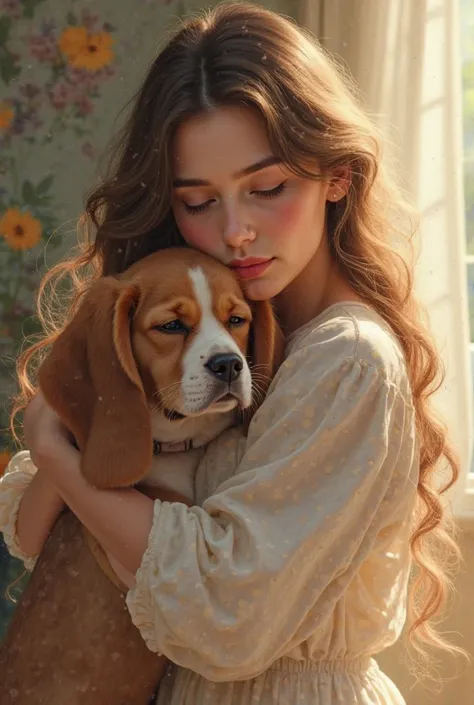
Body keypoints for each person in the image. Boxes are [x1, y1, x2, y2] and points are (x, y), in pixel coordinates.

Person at [0, 3, 464, 703]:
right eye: (198, 200)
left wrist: (60, 450)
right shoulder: (237, 332)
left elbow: (228, 609)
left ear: (335, 175)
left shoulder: (349, 359)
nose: (236, 231)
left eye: (268, 188)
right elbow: (35, 533)